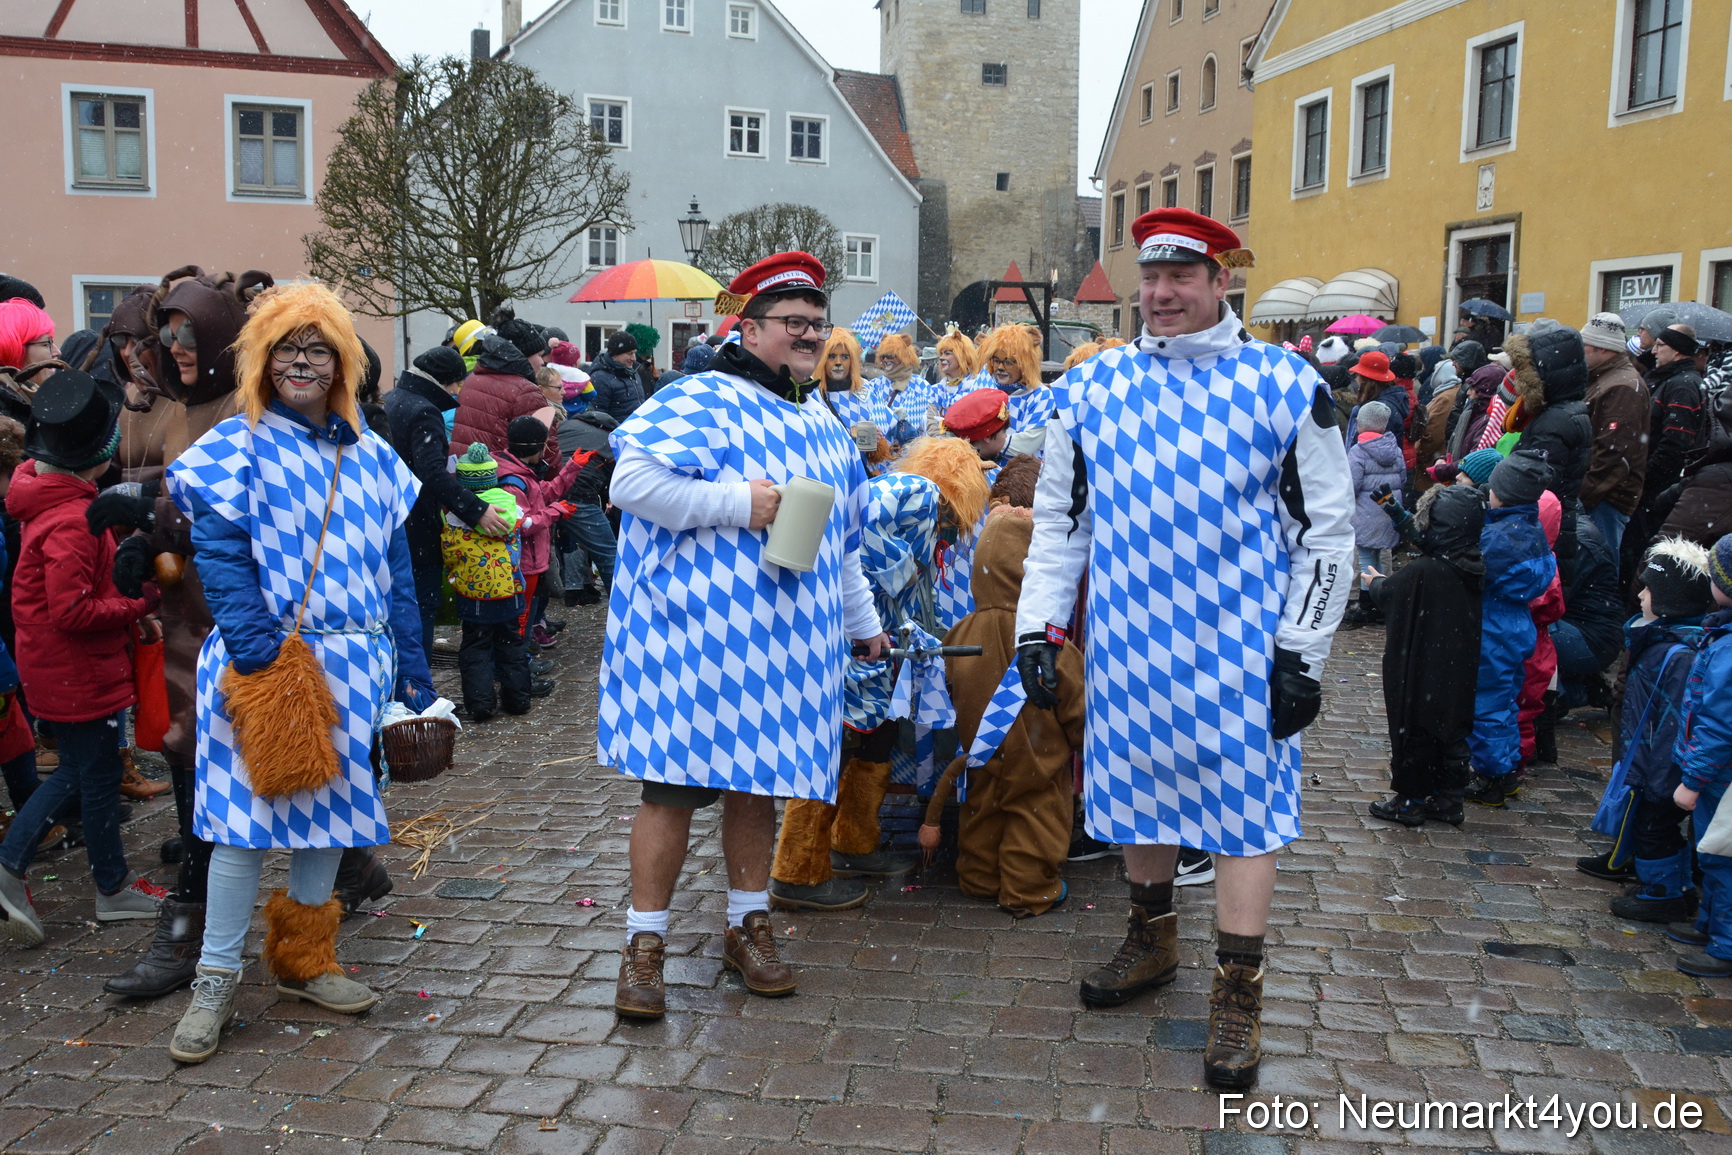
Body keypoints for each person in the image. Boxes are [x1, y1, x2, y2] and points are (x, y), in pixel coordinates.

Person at [1015, 208, 1354, 1089]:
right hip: (1130, 646)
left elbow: (1329, 532)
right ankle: (1151, 937)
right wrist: (1037, 627)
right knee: (1137, 798)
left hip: (1243, 651)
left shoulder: (1284, 384)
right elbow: (1061, 522)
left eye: (1181, 277)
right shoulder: (1091, 390)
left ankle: (1237, 990)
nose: (1160, 294)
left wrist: (1303, 652)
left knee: (1244, 817)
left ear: (1220, 280)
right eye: (1150, 278)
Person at [600, 251, 885, 1020]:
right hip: (694, 644)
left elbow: (845, 542)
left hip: (784, 650)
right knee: (671, 791)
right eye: (794, 323)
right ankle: (645, 942)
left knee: (757, 786)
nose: (810, 336)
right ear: (749, 325)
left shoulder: (823, 421)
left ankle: (746, 924)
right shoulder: (702, 396)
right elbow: (628, 483)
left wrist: (866, 627)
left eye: (818, 325)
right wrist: (737, 502)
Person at [161, 282, 434, 1063]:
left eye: (318, 350)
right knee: (241, 831)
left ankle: (304, 959)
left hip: (356, 665)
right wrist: (260, 658)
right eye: (288, 349)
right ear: (263, 360)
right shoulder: (236, 444)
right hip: (273, 663)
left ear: (343, 362)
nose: (302, 363)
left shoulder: (375, 457)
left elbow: (397, 572)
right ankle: (214, 979)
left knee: (332, 821)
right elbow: (218, 553)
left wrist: (413, 671)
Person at [0, 369, 166, 945]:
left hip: (60, 669)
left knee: (88, 772)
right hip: (76, 672)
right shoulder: (73, 519)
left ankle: (110, 883)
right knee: (84, 774)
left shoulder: (45, 495)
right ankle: (22, 866)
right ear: (97, 460)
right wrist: (137, 600)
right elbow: (71, 610)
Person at [921, 504, 1085, 916]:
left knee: (983, 811)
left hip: (981, 754)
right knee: (1035, 819)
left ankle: (979, 877)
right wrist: (1082, 742)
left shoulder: (961, 631)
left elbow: (949, 683)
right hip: (1038, 758)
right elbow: (1077, 705)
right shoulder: (1049, 642)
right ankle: (1027, 889)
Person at [1582, 539, 1712, 918]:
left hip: (1659, 768)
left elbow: (1673, 722)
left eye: (1649, 588)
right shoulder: (1660, 638)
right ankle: (1675, 886)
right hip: (1648, 761)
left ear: (1669, 600)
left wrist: (1659, 779)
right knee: (1651, 827)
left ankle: (1663, 893)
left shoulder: (1678, 653)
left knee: (1656, 829)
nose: (1639, 594)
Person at [1360, 485, 1486, 826]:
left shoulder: (1425, 571)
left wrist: (1375, 583)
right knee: (1451, 732)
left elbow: (1392, 593)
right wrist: (1396, 512)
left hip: (1422, 669)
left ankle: (1410, 802)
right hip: (1457, 668)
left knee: (1415, 728)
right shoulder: (1470, 562)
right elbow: (1431, 542)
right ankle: (1449, 800)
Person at [382, 347, 512, 657]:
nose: (458, 391)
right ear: (445, 382)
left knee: (397, 607)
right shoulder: (424, 410)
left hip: (392, 520)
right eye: (457, 384)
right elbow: (431, 472)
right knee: (421, 607)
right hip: (418, 524)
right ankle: (419, 686)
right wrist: (476, 510)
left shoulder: (391, 400)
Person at [1465, 450, 1559, 807]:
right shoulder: (1530, 528)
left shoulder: (1501, 537)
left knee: (1485, 705)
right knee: (1504, 702)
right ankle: (1505, 769)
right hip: (1518, 626)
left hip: (1493, 628)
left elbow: (1477, 572)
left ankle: (1490, 776)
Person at [1670, 533, 1732, 977]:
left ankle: (1726, 944)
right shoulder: (1723, 634)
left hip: (1719, 774)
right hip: (1715, 770)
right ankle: (1710, 924)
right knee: (1710, 852)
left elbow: (1719, 724)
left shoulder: (1728, 647)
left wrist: (1693, 780)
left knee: (1722, 857)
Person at [445, 444, 537, 716]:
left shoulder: (453, 512)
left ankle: (481, 705)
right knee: (511, 644)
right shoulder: (510, 505)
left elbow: (450, 551)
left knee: (476, 647)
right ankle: (518, 701)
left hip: (473, 594)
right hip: (510, 588)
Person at [496, 415, 589, 652]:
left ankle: (521, 662)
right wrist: (555, 512)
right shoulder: (514, 482)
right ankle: (519, 668)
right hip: (524, 563)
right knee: (521, 619)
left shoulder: (523, 472)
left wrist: (573, 467)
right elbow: (522, 525)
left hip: (532, 563)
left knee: (526, 614)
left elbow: (545, 493)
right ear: (536, 447)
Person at [1508, 322, 1592, 571]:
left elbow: (1533, 485)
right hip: (1552, 525)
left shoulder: (1555, 421)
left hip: (1542, 531)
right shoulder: (1563, 412)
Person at [934, 389, 1013, 630]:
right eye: (1005, 431)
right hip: (980, 598)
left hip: (935, 592)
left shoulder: (934, 470)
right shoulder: (997, 482)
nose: (1008, 436)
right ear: (988, 437)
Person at [1576, 312, 1650, 560]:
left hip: (1605, 501)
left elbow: (1613, 455)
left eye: (1585, 345)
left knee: (1596, 574)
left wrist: (1582, 496)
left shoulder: (1622, 387)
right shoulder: (1606, 378)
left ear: (1604, 349)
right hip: (1599, 497)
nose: (1580, 351)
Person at [450, 333, 560, 461]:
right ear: (523, 356)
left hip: (464, 466)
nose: (543, 362)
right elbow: (545, 448)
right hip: (499, 473)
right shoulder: (524, 391)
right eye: (539, 355)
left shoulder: (472, 380)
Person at [1344, 401, 1404, 628]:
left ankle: (1368, 605)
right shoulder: (1395, 449)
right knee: (1383, 555)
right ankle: (1383, 600)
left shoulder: (1358, 452)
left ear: (1360, 423)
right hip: (1389, 511)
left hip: (1365, 514)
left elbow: (1351, 485)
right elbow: (1403, 479)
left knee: (1367, 557)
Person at [556, 408, 618, 607]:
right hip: (579, 493)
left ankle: (534, 623)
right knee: (608, 554)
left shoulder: (567, 425)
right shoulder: (615, 442)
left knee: (538, 558)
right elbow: (617, 484)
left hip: (546, 487)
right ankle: (622, 607)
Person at [820, 328, 893, 469]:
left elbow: (885, 427)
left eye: (845, 357)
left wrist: (877, 439)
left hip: (862, 471)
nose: (838, 362)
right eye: (832, 356)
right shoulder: (813, 394)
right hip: (830, 469)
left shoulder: (866, 389)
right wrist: (852, 433)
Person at [978, 324, 1052, 457]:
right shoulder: (986, 390)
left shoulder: (1041, 396)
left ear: (1025, 364)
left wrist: (979, 442)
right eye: (996, 360)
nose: (1000, 367)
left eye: (1009, 362)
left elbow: (1025, 446)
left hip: (1023, 474)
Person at [874, 333, 942, 450]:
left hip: (911, 456)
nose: (886, 360)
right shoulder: (875, 384)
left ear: (903, 357)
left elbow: (933, 419)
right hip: (881, 456)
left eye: (890, 356)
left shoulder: (920, 385)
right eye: (883, 356)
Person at [0, 296, 60, 421]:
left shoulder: (24, 402)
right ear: (13, 347)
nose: (57, 352)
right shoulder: (8, 411)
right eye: (46, 344)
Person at [588, 330, 646, 424]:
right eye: (630, 353)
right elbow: (598, 416)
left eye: (634, 353)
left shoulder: (633, 372)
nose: (634, 358)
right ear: (615, 354)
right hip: (616, 435)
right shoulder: (600, 378)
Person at [933, 326, 983, 410]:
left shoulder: (977, 387)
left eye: (947, 353)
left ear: (962, 356)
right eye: (941, 354)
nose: (941, 358)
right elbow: (930, 419)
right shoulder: (936, 390)